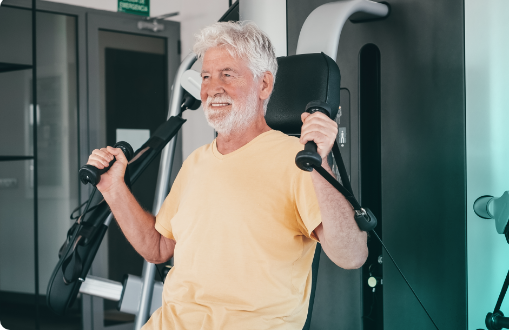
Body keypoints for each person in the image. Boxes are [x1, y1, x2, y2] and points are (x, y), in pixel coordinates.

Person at [85, 21, 368, 329]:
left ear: (264, 85)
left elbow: (351, 255)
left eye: (227, 74)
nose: (212, 88)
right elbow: (157, 247)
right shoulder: (196, 162)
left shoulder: (297, 159)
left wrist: (321, 160)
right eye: (206, 76)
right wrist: (113, 189)